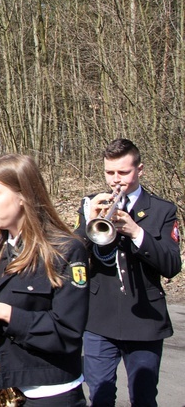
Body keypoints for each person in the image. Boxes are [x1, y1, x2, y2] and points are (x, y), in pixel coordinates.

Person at [0, 154, 89, 406]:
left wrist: (4, 312)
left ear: (23, 196)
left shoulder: (66, 250)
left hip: (46, 393)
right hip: (0, 384)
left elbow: (68, 333)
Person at [74, 138, 181, 407]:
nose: (115, 180)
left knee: (144, 398)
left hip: (145, 322)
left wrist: (136, 232)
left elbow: (171, 265)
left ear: (140, 170)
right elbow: (71, 255)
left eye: (123, 172)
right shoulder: (90, 203)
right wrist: (88, 222)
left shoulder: (162, 209)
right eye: (110, 172)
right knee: (99, 395)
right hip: (99, 319)